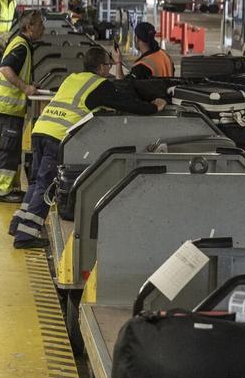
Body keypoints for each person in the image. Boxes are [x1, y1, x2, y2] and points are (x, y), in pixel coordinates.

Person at [10, 47, 169, 249]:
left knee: (36, 181)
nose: (110, 70)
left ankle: (19, 223)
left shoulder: (72, 78)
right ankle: (25, 236)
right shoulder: (101, 86)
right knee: (46, 184)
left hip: (41, 129)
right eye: (109, 66)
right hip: (57, 136)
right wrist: (154, 107)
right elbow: (128, 104)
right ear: (101, 68)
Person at [0, 10, 45, 204]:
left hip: (13, 108)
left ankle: (12, 188)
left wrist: (29, 85)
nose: (43, 28)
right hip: (9, 107)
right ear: (29, 27)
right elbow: (5, 69)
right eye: (39, 24)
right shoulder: (21, 46)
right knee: (8, 148)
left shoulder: (24, 44)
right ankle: (1, 191)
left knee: (13, 149)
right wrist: (25, 87)